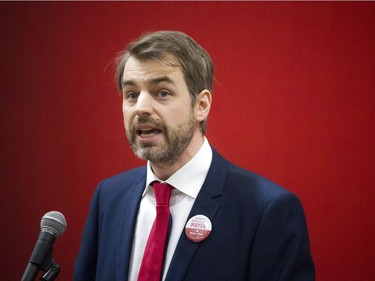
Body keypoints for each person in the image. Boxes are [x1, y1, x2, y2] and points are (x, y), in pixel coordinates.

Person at [73, 30, 315, 281]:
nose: (141, 108)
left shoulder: (267, 210)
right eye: (132, 94)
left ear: (201, 105)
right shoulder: (109, 196)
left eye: (162, 92)